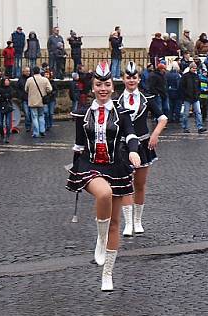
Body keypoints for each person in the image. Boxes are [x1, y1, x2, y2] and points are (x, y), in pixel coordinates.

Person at [67, 61, 142, 291]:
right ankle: (100, 240)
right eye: (99, 84)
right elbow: (79, 143)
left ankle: (107, 274)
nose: (103, 88)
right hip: (90, 165)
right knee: (104, 193)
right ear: (93, 87)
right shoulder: (83, 112)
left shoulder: (122, 112)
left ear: (112, 87)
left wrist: (133, 152)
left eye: (107, 84)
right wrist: (74, 164)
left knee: (116, 223)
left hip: (116, 166)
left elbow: (130, 135)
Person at [116, 62, 168, 236]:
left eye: (134, 77)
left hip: (143, 144)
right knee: (125, 184)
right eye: (128, 77)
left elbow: (162, 118)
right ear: (123, 79)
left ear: (139, 79)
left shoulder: (147, 99)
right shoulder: (116, 100)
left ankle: (138, 220)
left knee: (139, 184)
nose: (131, 80)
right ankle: (128, 223)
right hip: (123, 146)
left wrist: (155, 135)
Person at [25, 67, 52, 138]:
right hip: (42, 101)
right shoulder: (45, 79)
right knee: (41, 116)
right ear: (39, 71)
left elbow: (26, 89)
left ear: (33, 72)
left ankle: (36, 132)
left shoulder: (29, 80)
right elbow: (50, 89)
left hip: (32, 101)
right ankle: (42, 130)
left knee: (34, 117)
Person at [179, 63, 206, 133]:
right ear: (190, 68)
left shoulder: (197, 76)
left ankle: (200, 127)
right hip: (187, 98)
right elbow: (181, 87)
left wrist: (198, 94)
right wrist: (185, 95)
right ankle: (185, 127)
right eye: (193, 68)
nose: (194, 69)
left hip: (195, 97)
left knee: (198, 112)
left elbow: (199, 86)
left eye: (195, 68)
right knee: (186, 114)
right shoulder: (185, 76)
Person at [0, 76, 14, 144]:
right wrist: (4, 96)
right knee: (0, 124)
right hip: (0, 106)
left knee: (8, 124)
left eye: (8, 81)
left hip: (8, 107)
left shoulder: (10, 88)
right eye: (5, 81)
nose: (7, 82)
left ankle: (7, 137)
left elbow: (11, 95)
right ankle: (2, 135)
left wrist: (3, 96)